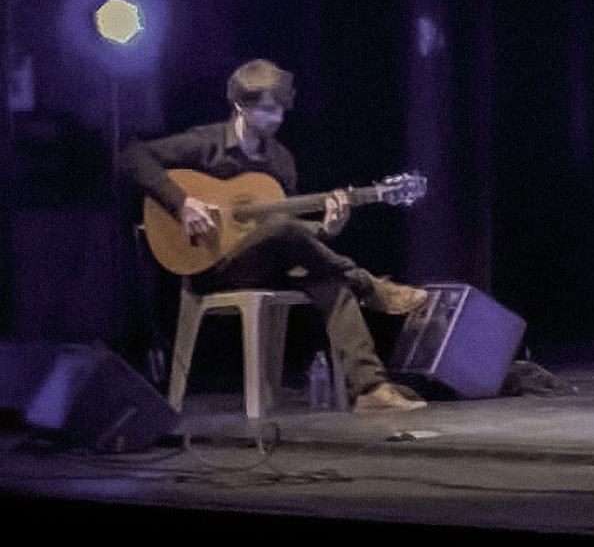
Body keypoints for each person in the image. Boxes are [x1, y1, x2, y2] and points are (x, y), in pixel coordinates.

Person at [119, 59, 430, 413]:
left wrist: (327, 229)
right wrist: (182, 203)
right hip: (211, 262)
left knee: (326, 277)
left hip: (267, 261)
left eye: (282, 108)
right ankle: (370, 286)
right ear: (240, 105)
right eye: (269, 109)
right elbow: (132, 156)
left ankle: (369, 388)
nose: (279, 117)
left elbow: (292, 237)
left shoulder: (281, 160)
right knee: (284, 228)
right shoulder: (207, 144)